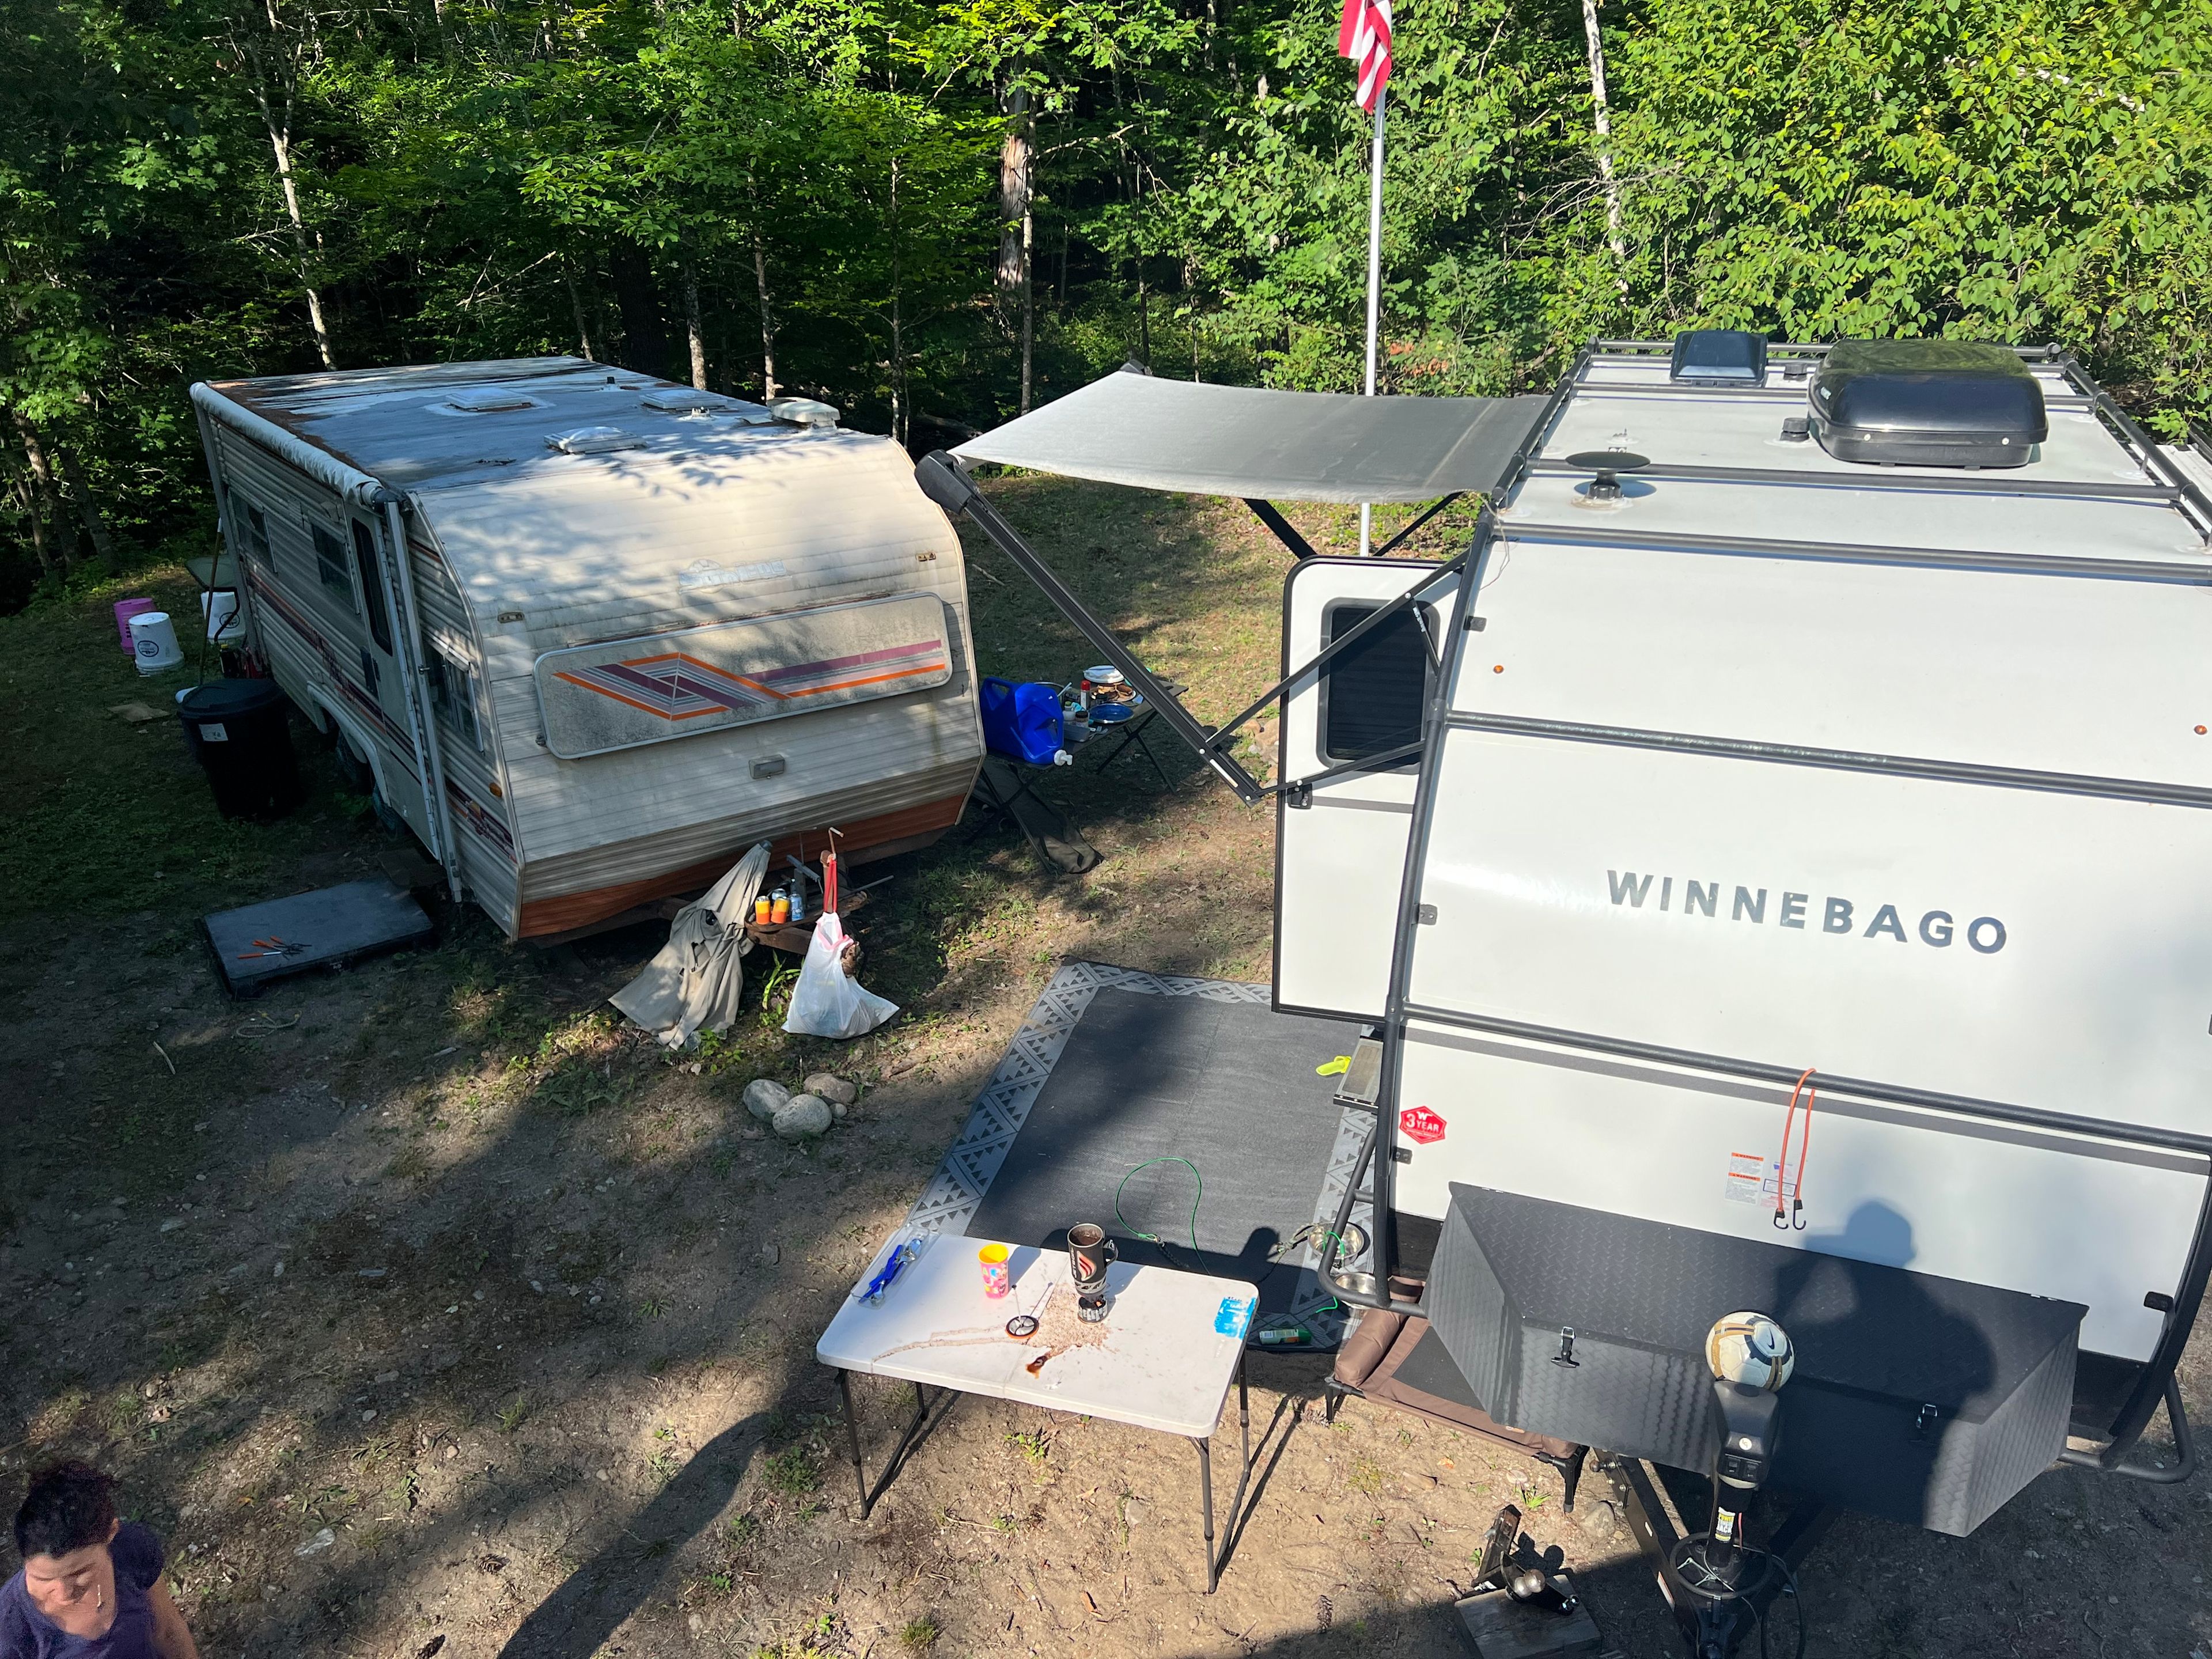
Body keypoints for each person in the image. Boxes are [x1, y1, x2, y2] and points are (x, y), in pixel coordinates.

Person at [1, 1461, 198, 1659]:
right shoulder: (10, 1631)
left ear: (111, 1532)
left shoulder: (131, 1549)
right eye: (42, 1579)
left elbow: (167, 1631)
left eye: (79, 1573)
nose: (63, 1593)